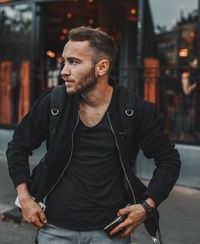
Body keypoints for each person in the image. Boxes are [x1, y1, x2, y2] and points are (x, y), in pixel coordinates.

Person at [7, 26, 181, 244]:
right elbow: (18, 146)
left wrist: (147, 206)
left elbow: (168, 160)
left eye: (74, 62)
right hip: (54, 229)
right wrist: (25, 198)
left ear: (102, 67)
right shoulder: (54, 103)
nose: (64, 71)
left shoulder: (134, 110)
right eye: (64, 62)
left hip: (110, 233)